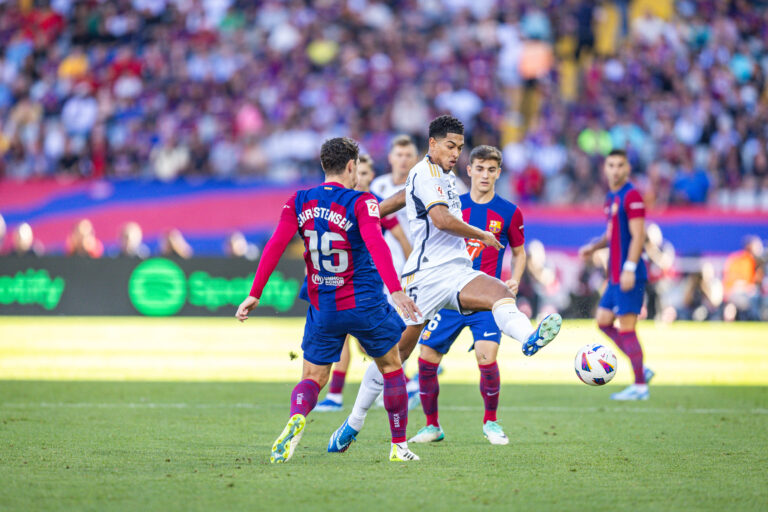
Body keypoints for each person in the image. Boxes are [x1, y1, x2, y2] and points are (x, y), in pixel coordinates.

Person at [329, 116, 562, 453]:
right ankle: (354, 422)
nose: (456, 154)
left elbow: (399, 198)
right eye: (451, 146)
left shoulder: (444, 176)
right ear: (433, 144)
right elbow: (440, 219)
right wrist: (481, 234)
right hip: (424, 276)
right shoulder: (425, 173)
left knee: (498, 291)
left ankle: (529, 338)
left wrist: (371, 213)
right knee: (395, 354)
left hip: (455, 271)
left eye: (460, 148)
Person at [235, 137, 422, 463]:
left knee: (312, 379)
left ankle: (298, 417)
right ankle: (399, 447)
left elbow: (275, 245)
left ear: (324, 165)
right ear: (352, 166)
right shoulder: (361, 202)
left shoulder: (299, 200)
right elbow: (378, 246)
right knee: (392, 368)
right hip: (365, 304)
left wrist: (255, 293)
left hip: (324, 306)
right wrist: (395, 289)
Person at [409, 145, 525, 446]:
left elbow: (520, 251)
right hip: (448, 295)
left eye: (491, 169)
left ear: (498, 173)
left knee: (487, 357)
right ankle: (432, 426)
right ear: (469, 170)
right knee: (426, 358)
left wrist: (515, 278)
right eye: (480, 168)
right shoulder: (452, 207)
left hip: (484, 298)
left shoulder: (509, 212)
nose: (485, 175)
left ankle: (491, 422)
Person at [315, 153, 413, 412]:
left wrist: (409, 272)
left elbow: (399, 239)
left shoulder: (375, 204)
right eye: (362, 171)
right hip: (340, 278)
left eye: (368, 173)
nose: (363, 177)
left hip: (366, 282)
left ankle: (404, 379)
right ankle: (336, 394)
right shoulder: (337, 203)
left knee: (362, 343)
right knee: (349, 338)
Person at [578, 149, 654, 401]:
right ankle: (640, 368)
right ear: (605, 168)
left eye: (620, 165)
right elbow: (612, 235)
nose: (615, 170)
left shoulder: (632, 196)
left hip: (628, 273)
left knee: (628, 328)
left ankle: (640, 386)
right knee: (602, 320)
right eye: (611, 165)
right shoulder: (612, 197)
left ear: (627, 168)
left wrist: (630, 268)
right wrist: (593, 246)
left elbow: (639, 235)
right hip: (615, 276)